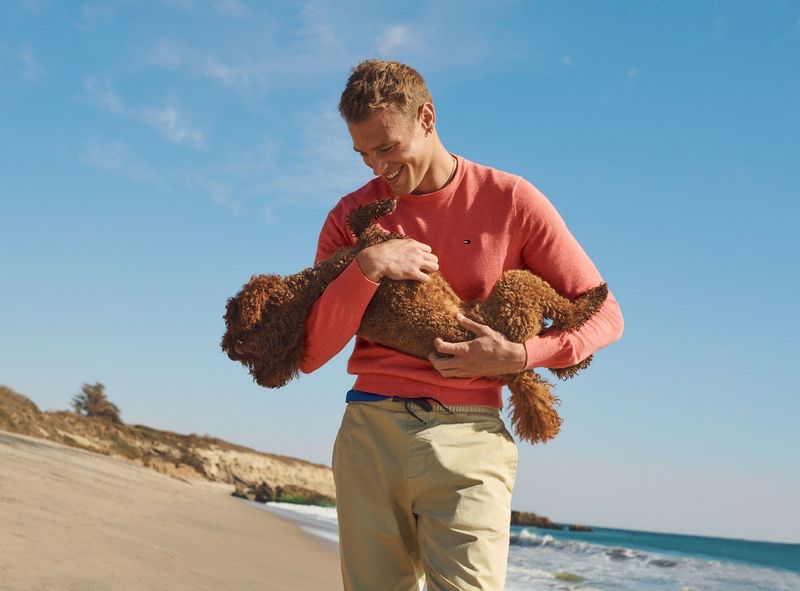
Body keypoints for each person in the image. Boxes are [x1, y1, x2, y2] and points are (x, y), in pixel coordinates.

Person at [300, 60, 624, 591]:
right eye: (362, 153)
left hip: (471, 437)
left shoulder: (510, 199)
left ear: (427, 117)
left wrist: (520, 357)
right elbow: (311, 350)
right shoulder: (349, 216)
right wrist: (368, 267)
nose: (376, 167)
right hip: (370, 435)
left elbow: (606, 315)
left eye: (387, 148)